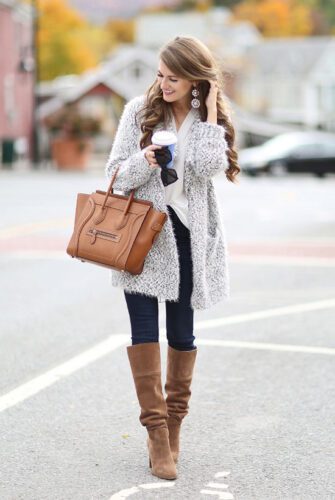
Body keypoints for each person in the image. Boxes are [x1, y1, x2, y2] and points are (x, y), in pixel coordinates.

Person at [105, 35, 240, 480]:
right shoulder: (137, 113)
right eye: (160, 75)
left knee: (183, 337)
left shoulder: (206, 118)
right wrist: (145, 158)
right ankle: (157, 435)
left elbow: (205, 168)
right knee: (143, 333)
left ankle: (175, 427)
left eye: (174, 77)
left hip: (188, 241)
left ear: (195, 79)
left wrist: (212, 111)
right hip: (143, 238)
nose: (164, 84)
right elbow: (115, 179)